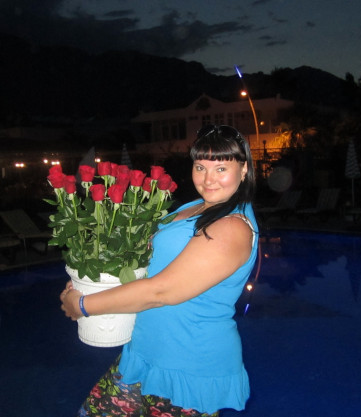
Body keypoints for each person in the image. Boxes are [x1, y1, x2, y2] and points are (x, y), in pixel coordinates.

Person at [60, 124, 259, 416]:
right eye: (200, 167)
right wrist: (97, 276)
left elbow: (161, 291)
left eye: (221, 169)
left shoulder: (231, 227)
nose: (208, 179)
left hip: (188, 368)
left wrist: (83, 305)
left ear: (244, 170)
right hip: (143, 353)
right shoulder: (197, 206)